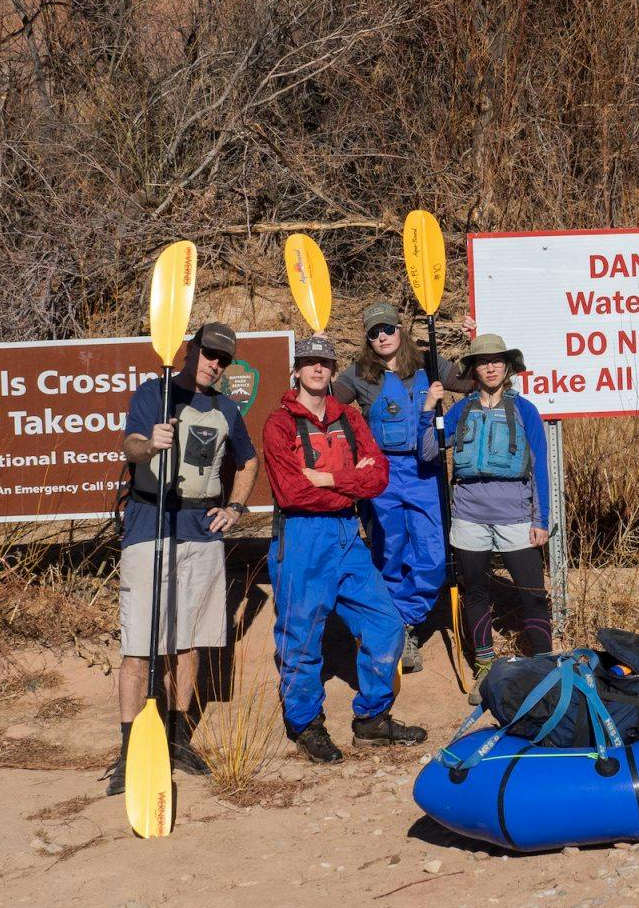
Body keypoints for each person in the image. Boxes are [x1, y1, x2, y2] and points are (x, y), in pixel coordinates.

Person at [107, 322, 259, 795]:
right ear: (192, 352)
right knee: (139, 644)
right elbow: (129, 446)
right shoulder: (155, 393)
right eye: (210, 354)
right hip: (150, 525)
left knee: (189, 641)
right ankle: (131, 751)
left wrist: (234, 507)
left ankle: (177, 738)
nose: (217, 364)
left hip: (200, 530)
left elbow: (248, 460)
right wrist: (150, 444)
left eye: (224, 359)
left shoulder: (227, 408)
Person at [263, 334, 425, 764]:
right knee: (301, 635)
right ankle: (305, 724)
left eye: (325, 362)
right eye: (309, 362)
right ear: (296, 370)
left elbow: (379, 478)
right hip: (300, 538)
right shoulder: (279, 424)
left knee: (386, 622)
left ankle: (372, 721)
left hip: (347, 536)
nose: (317, 369)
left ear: (334, 371)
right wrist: (351, 483)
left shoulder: (350, 419)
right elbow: (292, 492)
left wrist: (332, 480)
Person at [334, 303, 473, 672]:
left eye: (387, 329)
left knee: (432, 553)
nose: (381, 337)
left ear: (401, 329)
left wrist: (474, 340)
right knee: (389, 550)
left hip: (427, 470)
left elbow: (473, 381)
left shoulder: (431, 363)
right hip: (383, 473)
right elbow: (327, 402)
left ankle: (407, 618)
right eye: (373, 332)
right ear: (367, 339)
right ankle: (397, 630)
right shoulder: (360, 373)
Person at [422, 334, 552, 704]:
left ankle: (544, 664)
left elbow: (539, 467)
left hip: (516, 518)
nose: (490, 366)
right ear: (474, 370)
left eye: (497, 360)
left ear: (507, 366)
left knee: (533, 595)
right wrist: (428, 410)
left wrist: (540, 520)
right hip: (468, 519)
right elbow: (429, 450)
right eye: (483, 361)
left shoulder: (525, 410)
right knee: (475, 593)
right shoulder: (460, 411)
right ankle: (484, 666)